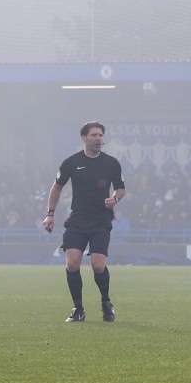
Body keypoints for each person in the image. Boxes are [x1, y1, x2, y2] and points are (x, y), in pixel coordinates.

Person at [43, 121, 127, 323]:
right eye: (94, 135)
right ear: (84, 138)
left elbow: (121, 188)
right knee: (72, 263)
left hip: (101, 220)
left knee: (98, 266)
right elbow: (56, 187)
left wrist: (114, 198)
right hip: (78, 220)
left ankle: (106, 303)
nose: (99, 139)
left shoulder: (111, 163)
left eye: (100, 135)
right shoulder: (71, 163)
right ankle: (78, 309)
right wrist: (50, 214)